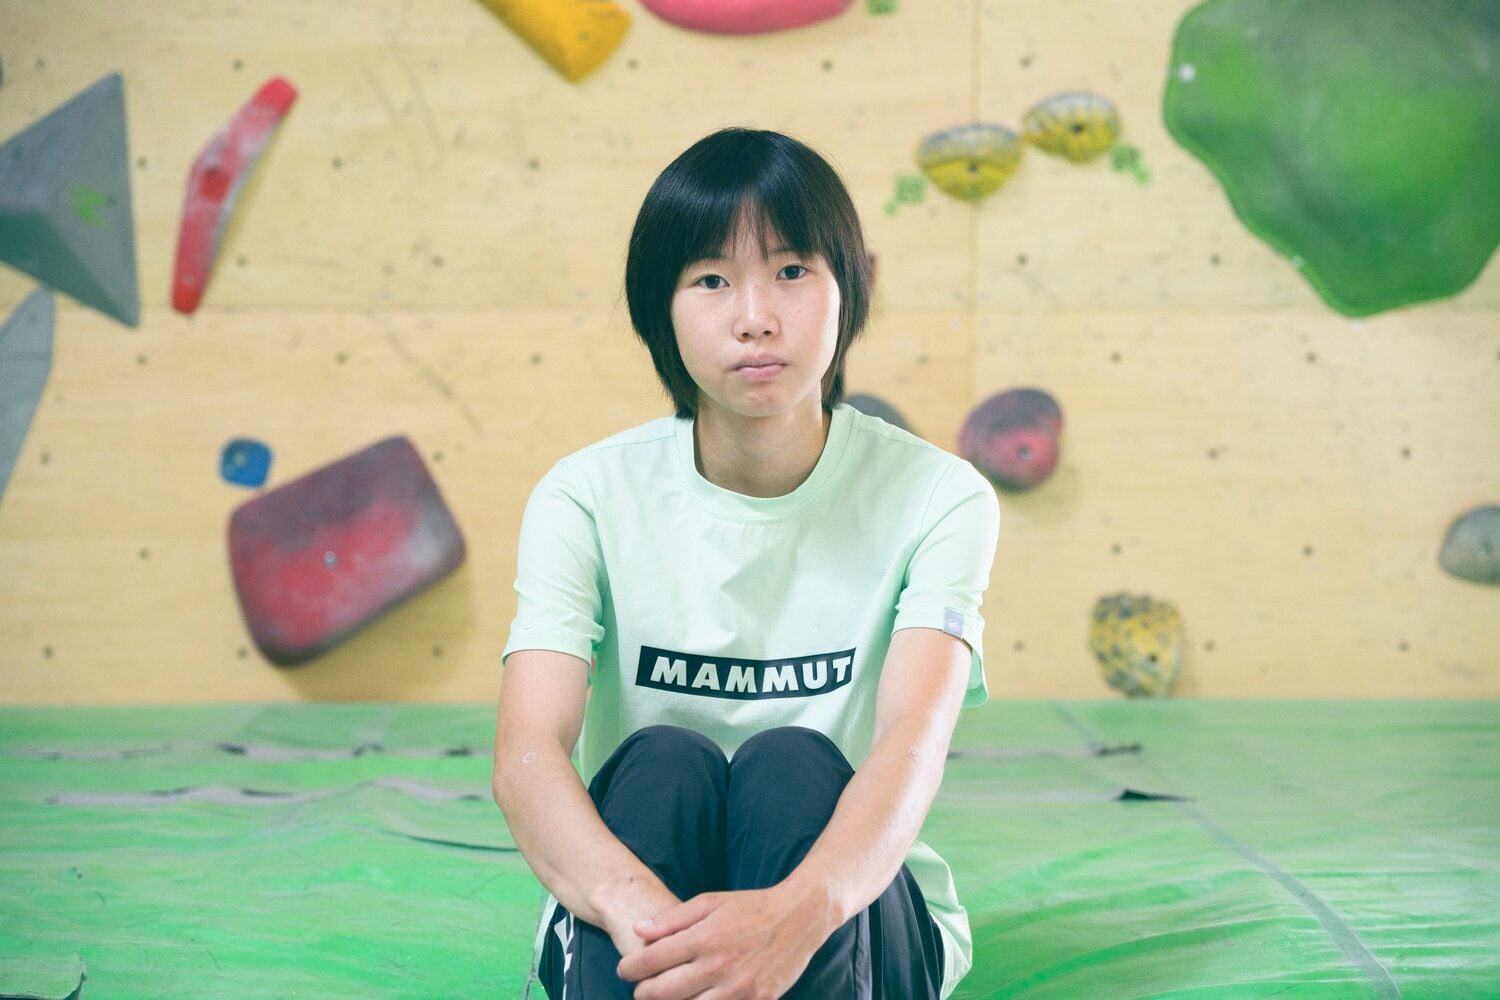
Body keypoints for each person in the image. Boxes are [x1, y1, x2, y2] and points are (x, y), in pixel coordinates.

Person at [492, 126, 1000, 1000]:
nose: (756, 316)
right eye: (711, 280)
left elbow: (913, 742)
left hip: (849, 908)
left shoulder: (940, 497)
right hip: (634, 907)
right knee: (662, 763)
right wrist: (654, 927)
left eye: (792, 270)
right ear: (660, 309)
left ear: (850, 290)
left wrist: (791, 917)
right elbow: (527, 752)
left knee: (791, 764)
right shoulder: (586, 496)